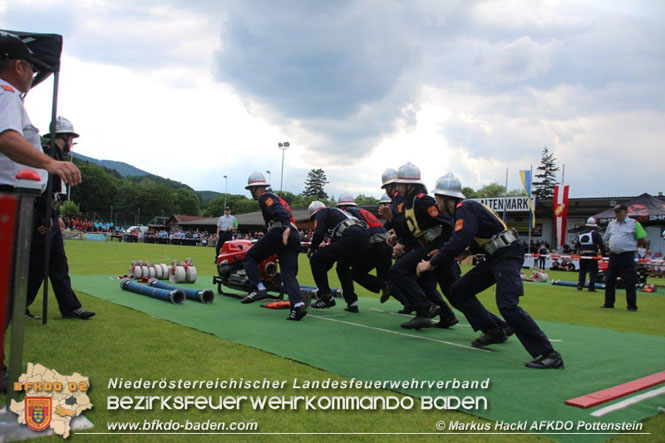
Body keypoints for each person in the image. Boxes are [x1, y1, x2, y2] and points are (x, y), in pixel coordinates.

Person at [417, 173, 563, 369]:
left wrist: (431, 263)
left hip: (506, 255)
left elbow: (460, 239)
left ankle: (549, 354)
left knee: (507, 304)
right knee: (459, 291)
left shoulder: (464, 208)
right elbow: (481, 234)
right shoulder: (466, 208)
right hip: (496, 256)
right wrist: (465, 251)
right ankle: (493, 330)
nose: (436, 202)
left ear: (445, 197)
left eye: (437, 198)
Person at [25, 117, 95, 320]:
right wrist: (43, 217)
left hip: (52, 217)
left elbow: (55, 192)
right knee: (36, 266)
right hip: (42, 218)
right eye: (71, 138)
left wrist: (57, 215)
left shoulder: (56, 156)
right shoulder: (46, 155)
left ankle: (70, 307)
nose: (72, 142)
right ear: (64, 137)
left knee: (59, 265)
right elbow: (39, 189)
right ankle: (19, 305)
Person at [0, 36, 81, 191]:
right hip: (9, 192)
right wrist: (50, 163)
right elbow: (6, 138)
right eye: (33, 69)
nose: (33, 75)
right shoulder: (6, 94)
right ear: (19, 67)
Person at [240, 172, 306, 321]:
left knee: (250, 257)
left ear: (254, 188)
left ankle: (259, 288)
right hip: (293, 235)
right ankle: (297, 306)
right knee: (288, 274)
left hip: (281, 232)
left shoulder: (265, 197)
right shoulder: (276, 197)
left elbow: (280, 212)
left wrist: (285, 226)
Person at [307, 200, 370, 312]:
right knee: (343, 267)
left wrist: (313, 247)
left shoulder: (322, 212)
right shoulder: (338, 213)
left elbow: (318, 233)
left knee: (316, 260)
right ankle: (352, 302)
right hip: (363, 237)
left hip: (350, 237)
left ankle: (326, 297)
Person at [336, 193, 391, 306]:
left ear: (342, 207)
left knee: (352, 271)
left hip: (374, 246)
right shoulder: (363, 211)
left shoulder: (349, 213)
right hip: (386, 245)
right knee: (388, 279)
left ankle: (352, 302)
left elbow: (359, 232)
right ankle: (410, 302)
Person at [602, 204, 648, 311]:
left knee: (630, 281)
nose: (616, 214)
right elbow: (606, 238)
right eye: (615, 212)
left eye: (618, 211)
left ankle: (631, 305)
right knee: (609, 279)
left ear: (625, 212)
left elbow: (643, 239)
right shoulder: (611, 224)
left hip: (626, 255)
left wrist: (630, 245)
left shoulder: (634, 223)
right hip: (614, 255)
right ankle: (608, 303)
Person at [575, 217, 606, 292]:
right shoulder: (595, 233)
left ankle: (580, 285)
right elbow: (601, 244)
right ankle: (591, 287)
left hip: (583, 255)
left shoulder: (581, 234)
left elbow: (576, 246)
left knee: (582, 270)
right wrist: (604, 255)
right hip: (592, 255)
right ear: (593, 226)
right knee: (593, 271)